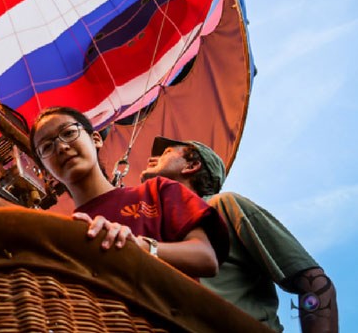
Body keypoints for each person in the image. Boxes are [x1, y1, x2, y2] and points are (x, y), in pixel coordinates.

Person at [0, 106, 228, 278]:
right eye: (46, 147)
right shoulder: (65, 232)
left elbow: (205, 258)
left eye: (69, 133)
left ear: (95, 138)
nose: (60, 147)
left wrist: (142, 248)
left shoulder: (158, 192)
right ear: (45, 170)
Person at [141, 136, 339, 332]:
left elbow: (315, 283)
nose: (152, 159)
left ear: (191, 166)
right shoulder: (154, 233)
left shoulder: (224, 206)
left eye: (166, 153)